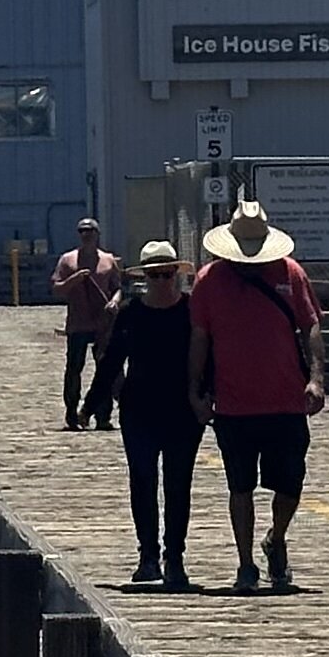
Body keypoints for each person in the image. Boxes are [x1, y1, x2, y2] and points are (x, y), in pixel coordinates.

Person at [188, 200, 319, 592]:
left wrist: (316, 378)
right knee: (240, 486)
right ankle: (245, 563)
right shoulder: (209, 280)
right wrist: (195, 390)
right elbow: (199, 338)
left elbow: (311, 325)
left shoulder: (290, 272)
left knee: (290, 483)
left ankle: (276, 537)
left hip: (285, 398)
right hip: (233, 402)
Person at [95, 241, 203, 588]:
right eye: (154, 276)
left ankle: (175, 557)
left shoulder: (191, 311)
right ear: (144, 278)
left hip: (182, 410)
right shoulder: (131, 313)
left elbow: (208, 357)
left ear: (176, 275)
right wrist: (90, 404)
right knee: (142, 480)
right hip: (138, 409)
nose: (161, 281)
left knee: (177, 484)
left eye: (167, 274)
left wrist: (207, 395)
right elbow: (112, 361)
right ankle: (148, 555)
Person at [52, 219, 123, 429]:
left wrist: (114, 301)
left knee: (106, 369)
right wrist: (73, 279)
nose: (86, 234)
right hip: (78, 324)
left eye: (90, 231)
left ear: (97, 233)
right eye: (82, 231)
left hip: (103, 325)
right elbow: (57, 288)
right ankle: (72, 414)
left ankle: (103, 415)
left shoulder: (108, 261)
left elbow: (118, 288)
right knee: (74, 369)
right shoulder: (68, 260)